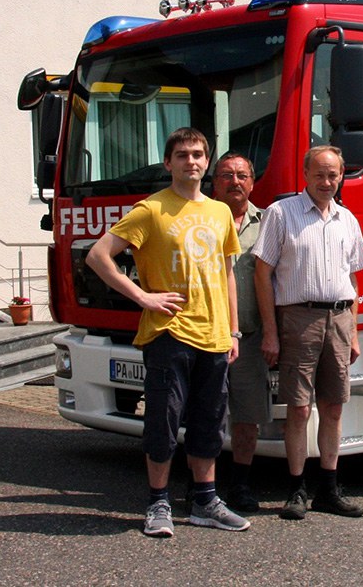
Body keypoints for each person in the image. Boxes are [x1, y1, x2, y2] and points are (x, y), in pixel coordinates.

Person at [86, 127, 250, 537]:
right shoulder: (150, 209)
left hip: (215, 336)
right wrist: (142, 296)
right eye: (182, 155)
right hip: (168, 333)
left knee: (209, 423)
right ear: (168, 163)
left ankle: (205, 501)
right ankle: (158, 502)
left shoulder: (219, 213)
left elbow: (228, 274)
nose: (190, 161)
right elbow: (98, 256)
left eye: (197, 154)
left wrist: (232, 331)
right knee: (163, 421)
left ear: (206, 162)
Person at [252, 145, 363, 520]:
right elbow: (262, 274)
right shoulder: (281, 213)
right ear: (305, 175)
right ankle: (296, 490)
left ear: (341, 176)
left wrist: (353, 332)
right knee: (299, 408)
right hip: (298, 319)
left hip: (339, 319)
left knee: (333, 407)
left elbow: (353, 280)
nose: (326, 181)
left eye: (333, 175)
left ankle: (328, 491)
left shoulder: (347, 219)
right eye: (319, 174)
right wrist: (271, 332)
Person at [211, 152, 267, 512]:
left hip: (250, 337)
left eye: (242, 175)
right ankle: (202, 486)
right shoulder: (200, 219)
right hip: (207, 337)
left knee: (247, 418)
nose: (235, 182)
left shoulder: (269, 223)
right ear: (215, 183)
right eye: (227, 175)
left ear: (252, 182)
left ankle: (241, 485)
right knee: (207, 417)